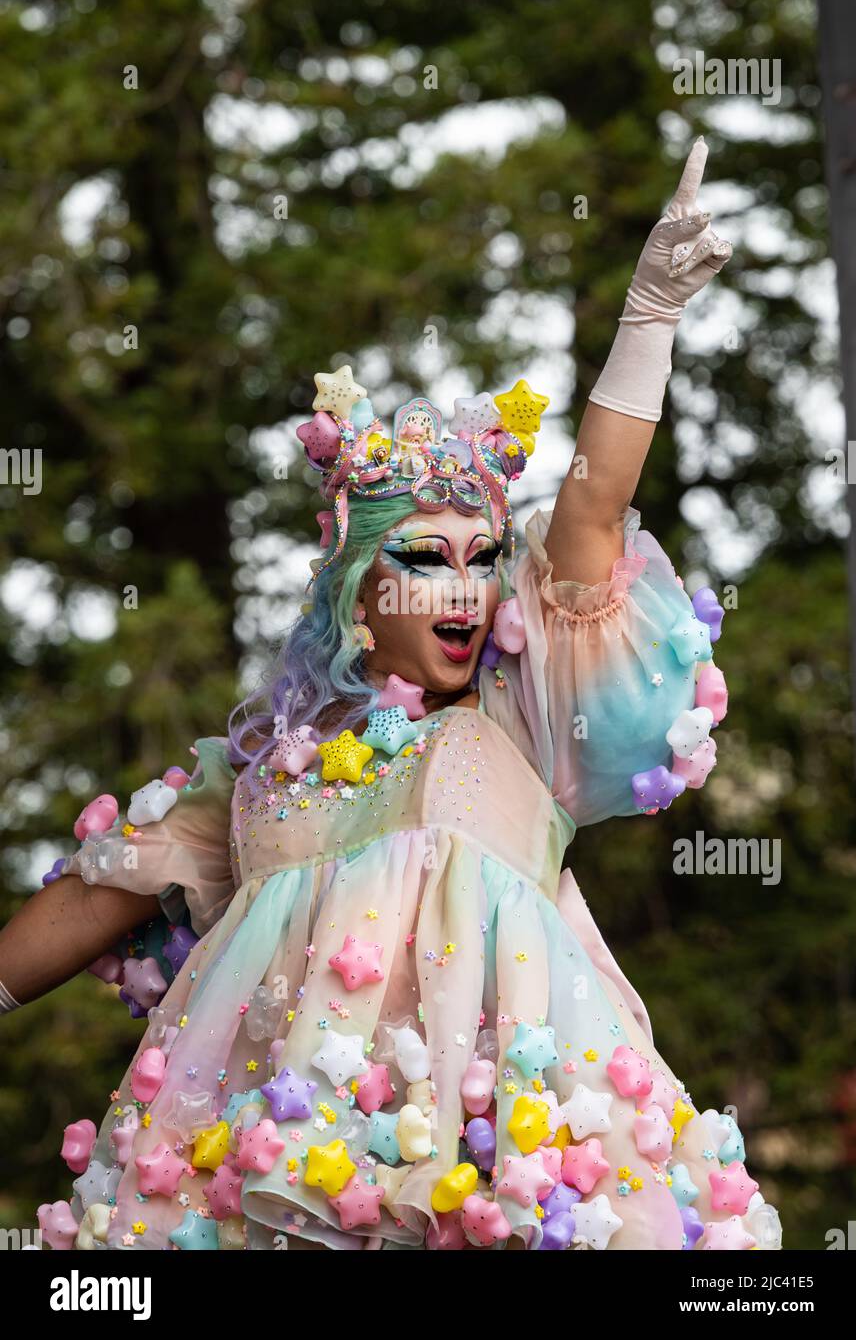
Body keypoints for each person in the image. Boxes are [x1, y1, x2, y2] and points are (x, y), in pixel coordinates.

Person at [0, 139, 783, 1252]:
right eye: (427, 556)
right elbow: (90, 901)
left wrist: (648, 316)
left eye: (481, 555)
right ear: (359, 593)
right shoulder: (259, 767)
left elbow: (595, 508)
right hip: (278, 1180)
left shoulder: (515, 709)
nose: (468, 582)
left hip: (508, 1169)